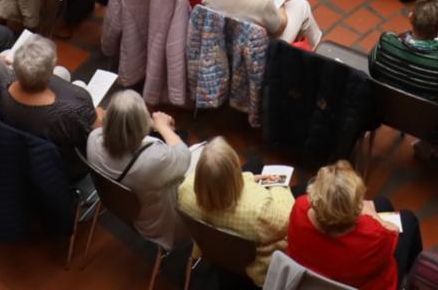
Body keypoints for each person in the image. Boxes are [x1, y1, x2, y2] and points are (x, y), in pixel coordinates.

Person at [176, 138, 291, 285]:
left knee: (254, 164)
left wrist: (250, 178)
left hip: (215, 251)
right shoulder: (259, 210)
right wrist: (279, 186)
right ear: (235, 172)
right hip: (251, 267)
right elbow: (287, 220)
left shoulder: (185, 191)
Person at [286, 161, 416, 290]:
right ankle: (415, 277)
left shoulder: (299, 207)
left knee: (383, 203)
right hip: (362, 283)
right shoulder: (373, 235)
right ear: (355, 209)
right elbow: (393, 231)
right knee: (408, 219)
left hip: (311, 279)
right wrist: (373, 215)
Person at [87, 90, 191, 246]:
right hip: (154, 225)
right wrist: (163, 127)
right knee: (203, 153)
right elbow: (184, 155)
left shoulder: (93, 139)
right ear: (142, 124)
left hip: (116, 204)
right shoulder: (153, 159)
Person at [369, 0, 438, 143]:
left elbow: (373, 67)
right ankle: (434, 145)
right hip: (426, 123)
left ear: (411, 18)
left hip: (384, 110)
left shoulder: (386, 42)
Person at [0, 34, 100, 178]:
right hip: (61, 166)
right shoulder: (75, 105)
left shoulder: (4, 86)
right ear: (50, 70)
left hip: (18, 150)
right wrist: (99, 116)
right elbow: (89, 137)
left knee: (63, 72)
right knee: (81, 85)